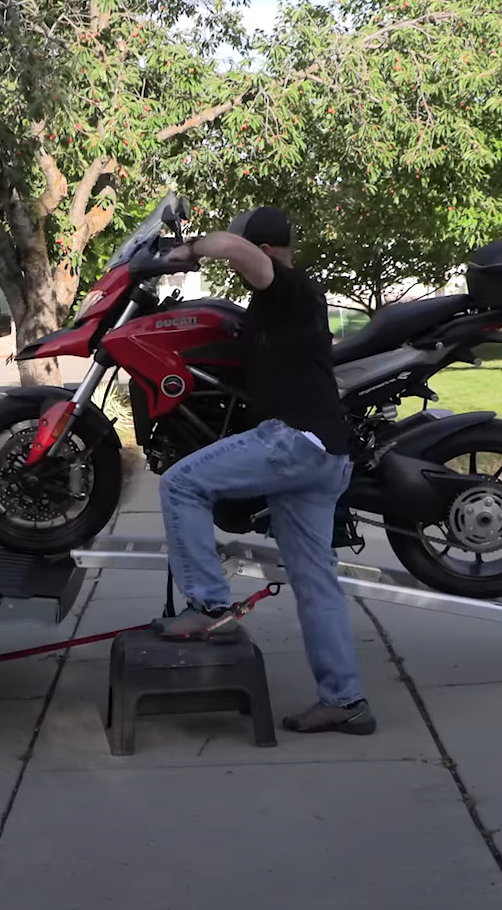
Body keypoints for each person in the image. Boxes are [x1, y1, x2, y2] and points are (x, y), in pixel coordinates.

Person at [148, 206, 374, 736]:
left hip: (295, 442)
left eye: (252, 253)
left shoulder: (287, 286)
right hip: (323, 458)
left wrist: (184, 251)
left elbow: (236, 251)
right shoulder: (280, 304)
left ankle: (208, 604)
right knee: (316, 584)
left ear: (267, 250)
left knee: (181, 483)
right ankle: (345, 702)